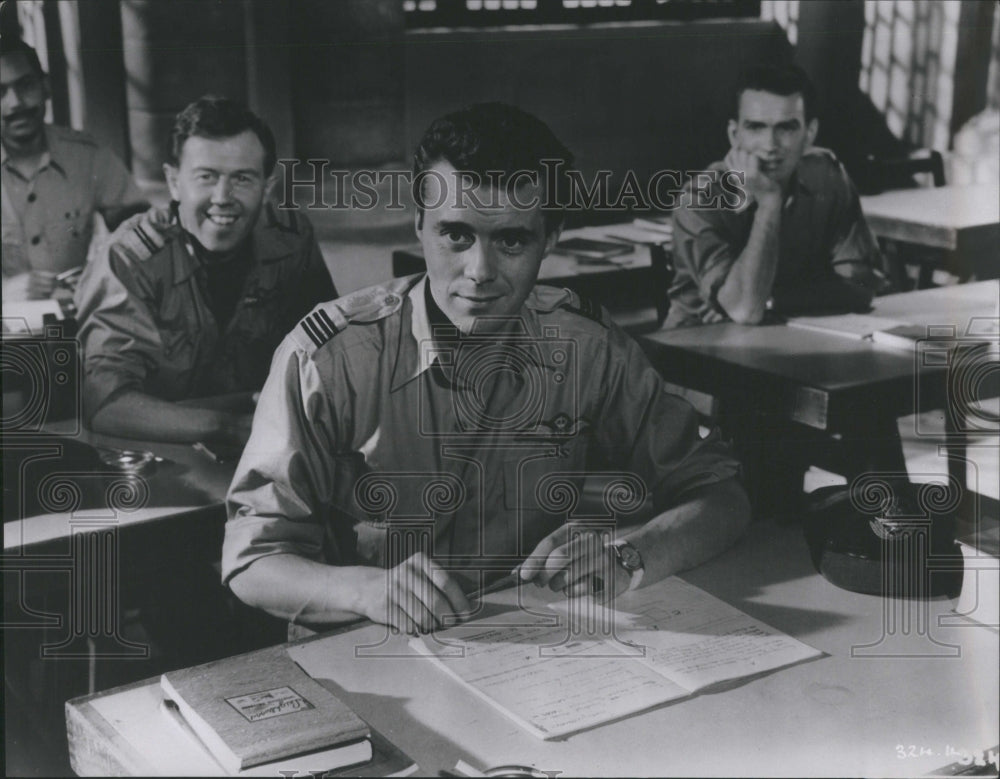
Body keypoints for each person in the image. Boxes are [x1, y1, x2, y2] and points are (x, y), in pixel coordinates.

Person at [223, 102, 750, 636]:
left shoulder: (589, 347)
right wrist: (364, 589)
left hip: (535, 644)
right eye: (456, 235)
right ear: (419, 225)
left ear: (551, 237)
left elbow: (721, 495)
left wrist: (630, 554)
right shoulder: (328, 357)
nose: (480, 272)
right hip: (368, 642)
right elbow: (250, 562)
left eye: (512, 240)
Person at [74, 96, 337, 446]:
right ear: (173, 181)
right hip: (158, 449)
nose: (222, 196)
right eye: (206, 177)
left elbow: (331, 355)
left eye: (242, 178)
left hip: (272, 441)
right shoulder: (129, 258)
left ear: (267, 186)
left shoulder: (291, 239)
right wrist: (230, 428)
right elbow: (106, 404)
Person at [666, 63, 889, 328]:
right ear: (734, 135)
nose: (770, 145)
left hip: (789, 332)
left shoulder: (828, 178)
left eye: (786, 128)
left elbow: (862, 286)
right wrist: (769, 203)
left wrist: (772, 299)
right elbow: (746, 310)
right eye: (756, 127)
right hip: (695, 347)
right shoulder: (700, 197)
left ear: (810, 134)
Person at [1, 37, 147, 301]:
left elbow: (142, 230)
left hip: (76, 316)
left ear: (45, 86)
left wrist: (106, 273)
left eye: (25, 85)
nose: (15, 103)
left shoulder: (87, 156)